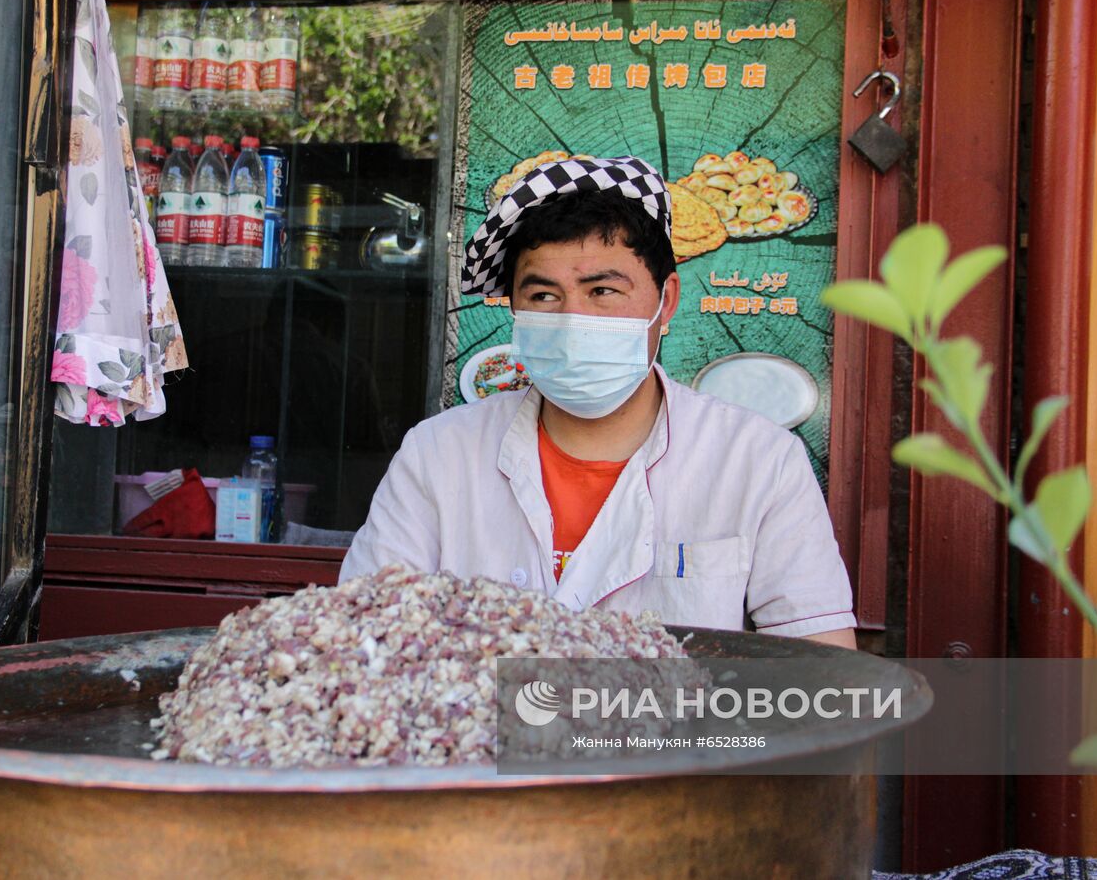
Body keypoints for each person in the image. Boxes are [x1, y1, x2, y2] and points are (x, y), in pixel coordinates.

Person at [341, 156, 856, 647]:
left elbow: (821, 670)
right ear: (516, 308)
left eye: (603, 291)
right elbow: (365, 636)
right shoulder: (438, 454)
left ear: (665, 300)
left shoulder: (759, 460)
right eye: (543, 296)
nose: (573, 320)